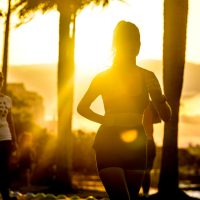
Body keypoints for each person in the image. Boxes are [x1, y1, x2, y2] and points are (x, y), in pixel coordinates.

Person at [77, 21, 171, 200]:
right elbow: (82, 107)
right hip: (108, 142)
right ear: (117, 45)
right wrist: (104, 120)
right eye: (127, 41)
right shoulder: (103, 77)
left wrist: (160, 98)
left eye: (136, 41)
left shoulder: (147, 76)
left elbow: (166, 116)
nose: (133, 46)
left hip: (136, 143)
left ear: (139, 45)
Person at [0, 72, 17, 200]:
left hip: (5, 138)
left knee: (4, 168)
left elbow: (10, 121)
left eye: (0, 80)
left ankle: (5, 195)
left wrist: (14, 140)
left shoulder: (7, 99)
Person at [142, 101, 160, 197]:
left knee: (144, 171)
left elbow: (157, 119)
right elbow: (157, 119)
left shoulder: (148, 104)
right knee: (145, 171)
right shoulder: (150, 104)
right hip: (147, 142)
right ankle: (145, 194)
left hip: (146, 142)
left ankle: (144, 194)